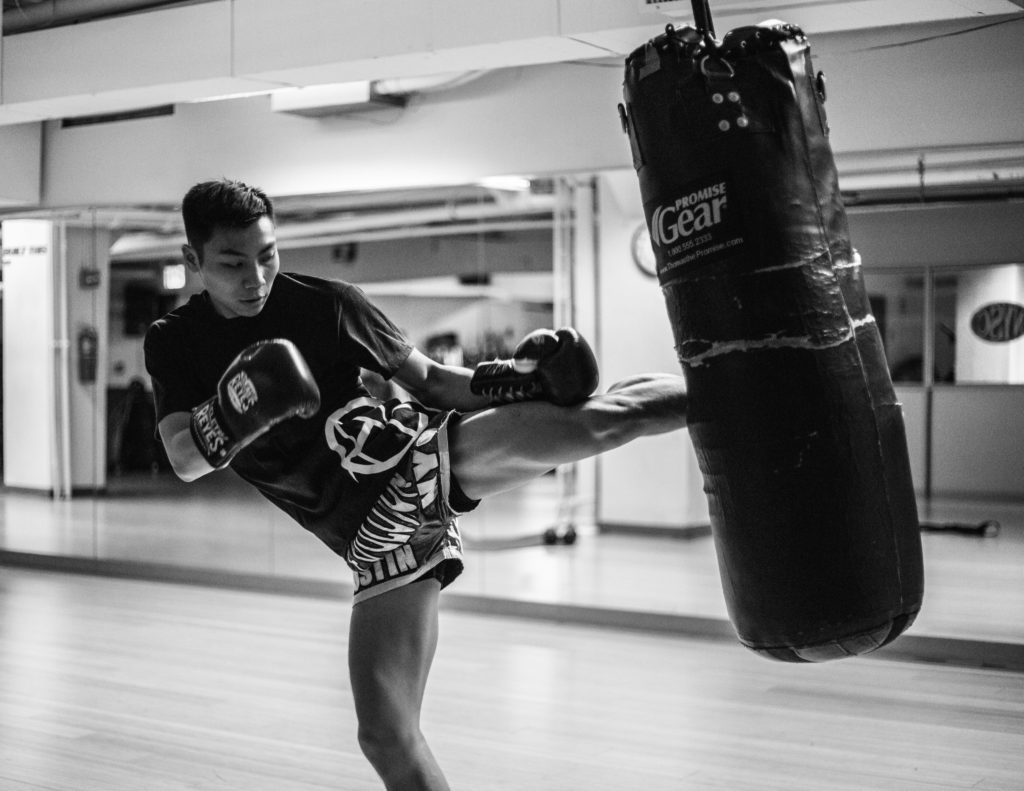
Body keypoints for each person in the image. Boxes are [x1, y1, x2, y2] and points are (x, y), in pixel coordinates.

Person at [144, 178, 688, 790]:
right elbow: (184, 457)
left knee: (600, 421)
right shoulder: (175, 343)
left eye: (267, 254)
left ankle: (737, 383)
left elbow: (429, 379)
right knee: (384, 736)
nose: (257, 277)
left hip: (419, 460)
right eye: (233, 263)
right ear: (192, 261)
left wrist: (514, 379)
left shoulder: (328, 303)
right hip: (373, 543)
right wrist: (234, 410)